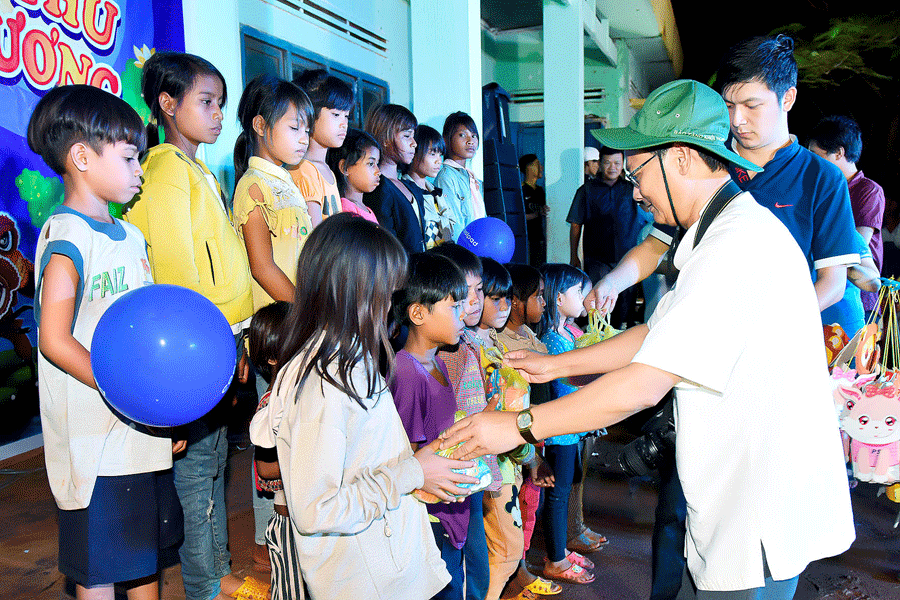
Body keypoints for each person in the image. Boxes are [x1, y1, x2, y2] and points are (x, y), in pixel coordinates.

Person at [442, 79, 856, 600]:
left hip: (757, 506)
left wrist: (516, 426)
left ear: (680, 157)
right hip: (745, 489)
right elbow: (660, 334)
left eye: (640, 174)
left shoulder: (737, 247)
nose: (636, 192)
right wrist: (558, 366)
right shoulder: (722, 231)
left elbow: (641, 386)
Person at [586, 37, 862, 598]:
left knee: (750, 510)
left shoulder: (819, 179)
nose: (738, 121)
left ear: (787, 99)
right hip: (695, 353)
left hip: (761, 374)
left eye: (752, 106)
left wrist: (758, 321)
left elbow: (831, 281)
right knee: (684, 495)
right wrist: (614, 281)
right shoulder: (714, 166)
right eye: (729, 105)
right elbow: (657, 241)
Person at [252, 213, 475, 598]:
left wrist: (422, 463)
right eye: (386, 293)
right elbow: (316, 509)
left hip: (390, 563)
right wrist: (412, 473)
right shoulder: (324, 381)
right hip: (368, 580)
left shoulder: (350, 357)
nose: (391, 306)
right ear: (355, 291)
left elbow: (365, 460)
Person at [31, 83, 179, 600]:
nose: (141, 169)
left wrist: (163, 410)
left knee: (143, 559)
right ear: (81, 157)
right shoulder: (66, 234)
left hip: (140, 437)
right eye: (131, 156)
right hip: (95, 440)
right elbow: (53, 338)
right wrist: (123, 391)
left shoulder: (133, 237)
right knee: (99, 569)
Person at [123, 51, 253, 600]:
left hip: (221, 338)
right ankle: (204, 583)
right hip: (199, 345)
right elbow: (178, 268)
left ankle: (215, 569)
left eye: (221, 103)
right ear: (167, 105)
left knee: (215, 459)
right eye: (206, 102)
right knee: (199, 470)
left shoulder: (196, 168)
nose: (219, 114)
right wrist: (216, 345)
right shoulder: (166, 172)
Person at [391, 252, 478, 600]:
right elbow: (407, 458)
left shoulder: (437, 362)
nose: (465, 313)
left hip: (448, 507)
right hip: (429, 518)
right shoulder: (408, 373)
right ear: (418, 313)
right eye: (454, 306)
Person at [430, 243, 495, 600]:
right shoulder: (444, 350)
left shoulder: (466, 340)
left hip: (470, 471)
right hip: (456, 472)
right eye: (461, 295)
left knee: (472, 562)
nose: (473, 302)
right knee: (464, 568)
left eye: (478, 291)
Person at [233, 74, 314, 311]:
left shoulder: (285, 181)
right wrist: (305, 312)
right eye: (294, 128)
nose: (304, 139)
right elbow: (262, 268)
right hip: (277, 321)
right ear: (259, 125)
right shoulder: (254, 185)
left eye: (307, 131)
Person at [537, 264, 597, 584]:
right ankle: (556, 560)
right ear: (558, 298)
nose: (584, 299)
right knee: (558, 497)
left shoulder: (567, 333)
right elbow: (567, 385)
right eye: (578, 293)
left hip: (571, 428)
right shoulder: (553, 340)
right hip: (560, 431)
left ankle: (560, 550)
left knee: (564, 492)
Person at [808, 115, 886, 313]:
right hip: (829, 288)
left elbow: (859, 241)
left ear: (838, 153)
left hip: (860, 294)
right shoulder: (824, 190)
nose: (812, 163)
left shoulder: (868, 190)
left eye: (816, 155)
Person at [246, 301, 297, 600]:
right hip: (288, 523)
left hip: (307, 515)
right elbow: (265, 469)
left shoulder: (301, 393)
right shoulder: (271, 404)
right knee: (290, 591)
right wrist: (313, 457)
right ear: (273, 357)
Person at [568, 147, 649, 327]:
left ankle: (618, 339)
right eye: (607, 163)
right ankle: (598, 342)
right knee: (598, 303)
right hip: (597, 259)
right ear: (600, 164)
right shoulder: (586, 190)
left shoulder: (633, 190)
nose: (612, 167)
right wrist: (574, 255)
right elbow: (575, 224)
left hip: (628, 258)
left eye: (617, 163)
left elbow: (650, 216)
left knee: (624, 306)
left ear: (623, 165)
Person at [288, 69, 354, 224]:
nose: (344, 124)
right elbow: (315, 236)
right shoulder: (304, 169)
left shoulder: (326, 169)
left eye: (347, 116)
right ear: (309, 113)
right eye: (336, 115)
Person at [363, 104, 427, 254]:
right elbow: (386, 245)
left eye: (413, 136)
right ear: (386, 138)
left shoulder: (408, 185)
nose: (414, 143)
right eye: (406, 136)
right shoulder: (378, 186)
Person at [434, 112, 485, 237]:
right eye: (462, 135)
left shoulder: (471, 177)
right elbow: (454, 227)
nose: (470, 141)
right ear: (446, 140)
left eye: (474, 136)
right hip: (464, 249)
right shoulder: (446, 177)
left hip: (477, 246)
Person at [406, 125, 456, 248]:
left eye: (440, 154)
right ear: (414, 152)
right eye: (432, 154)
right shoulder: (406, 191)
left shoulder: (435, 191)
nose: (438, 160)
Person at [325, 128, 381, 223]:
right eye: (371, 164)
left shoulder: (366, 209)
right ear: (345, 167)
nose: (378, 171)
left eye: (377, 164)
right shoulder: (346, 209)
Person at [520, 154, 549, 267]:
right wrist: (538, 214)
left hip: (539, 238)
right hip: (527, 239)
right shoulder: (521, 189)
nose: (541, 167)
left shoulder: (540, 190)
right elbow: (520, 216)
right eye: (538, 164)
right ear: (529, 167)